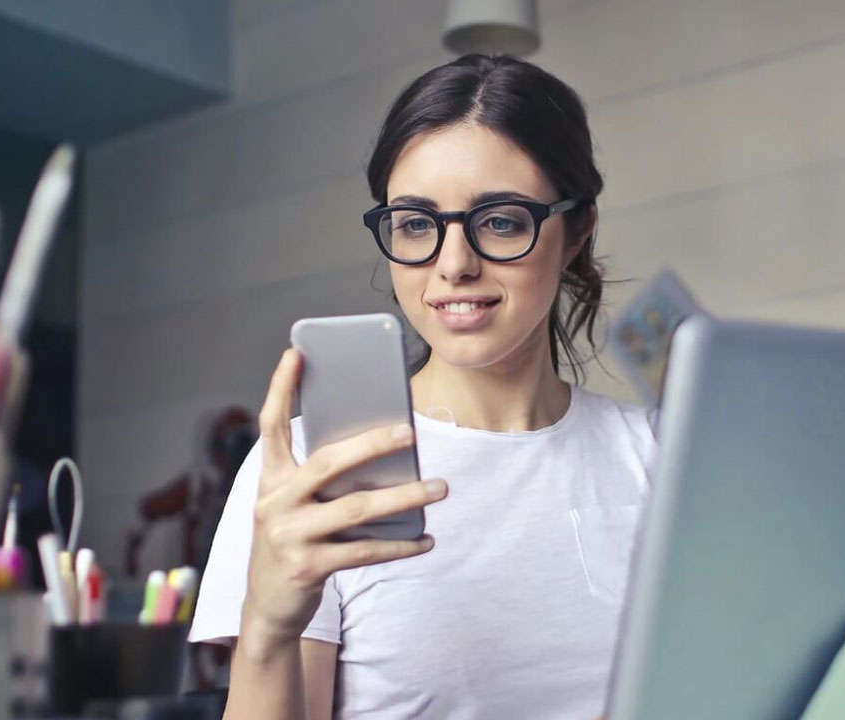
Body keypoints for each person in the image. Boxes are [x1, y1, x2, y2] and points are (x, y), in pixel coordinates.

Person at [190, 54, 657, 720]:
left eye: (500, 221)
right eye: (415, 225)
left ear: (579, 230)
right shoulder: (309, 472)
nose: (454, 264)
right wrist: (267, 630)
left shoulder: (660, 458)